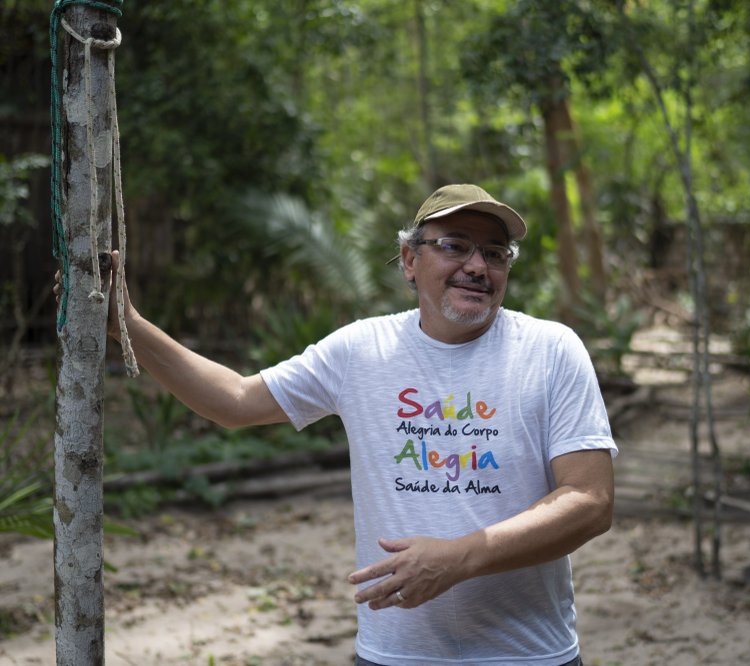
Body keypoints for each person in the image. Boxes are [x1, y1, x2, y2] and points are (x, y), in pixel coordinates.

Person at [94, 183, 617, 666]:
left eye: (495, 253)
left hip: (529, 653)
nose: (478, 266)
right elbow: (234, 400)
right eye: (455, 246)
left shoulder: (550, 350)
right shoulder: (362, 350)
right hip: (393, 653)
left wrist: (460, 557)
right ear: (410, 260)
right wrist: (127, 324)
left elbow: (589, 503)